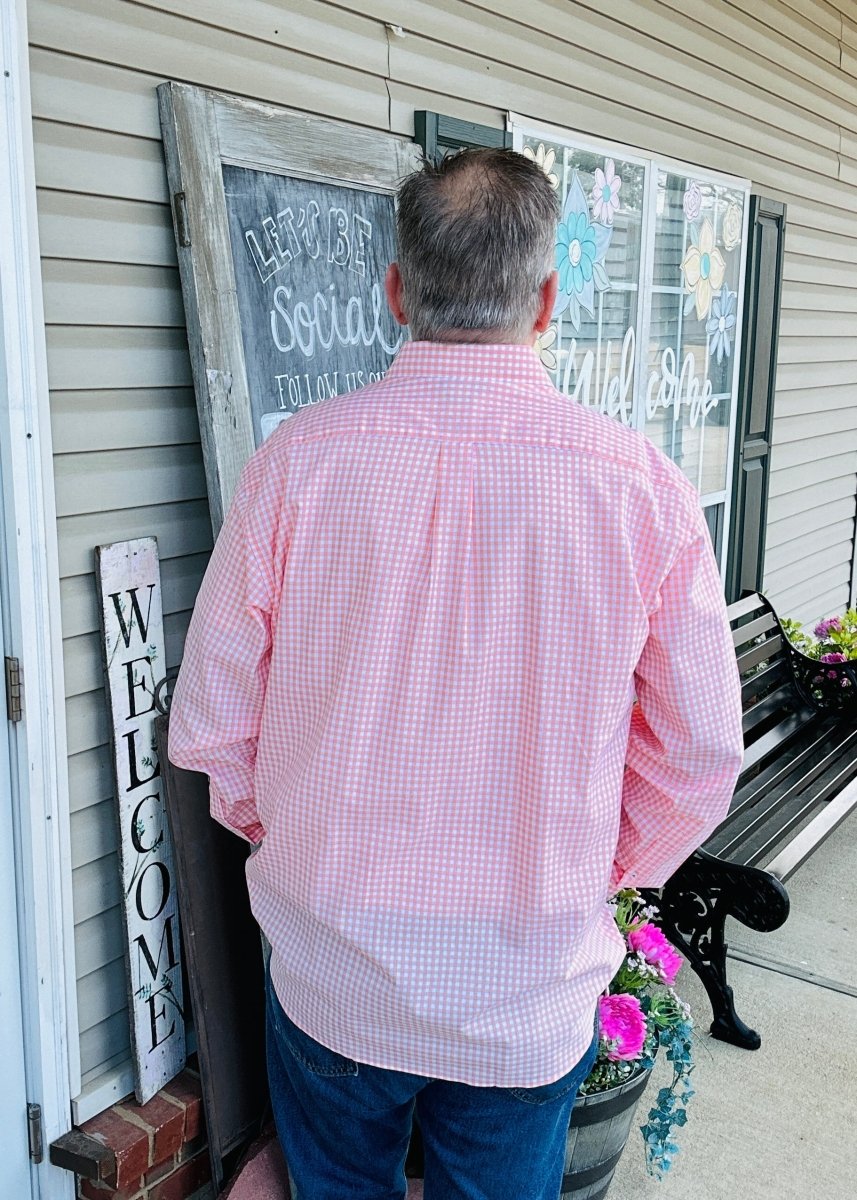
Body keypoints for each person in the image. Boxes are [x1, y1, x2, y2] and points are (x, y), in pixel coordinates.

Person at [168, 148, 744, 1200]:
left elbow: (212, 722)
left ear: (395, 291)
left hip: (335, 965)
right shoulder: (642, 492)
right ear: (549, 301)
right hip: (525, 984)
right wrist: (591, 871)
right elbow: (697, 758)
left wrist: (290, 839)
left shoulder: (294, 466)